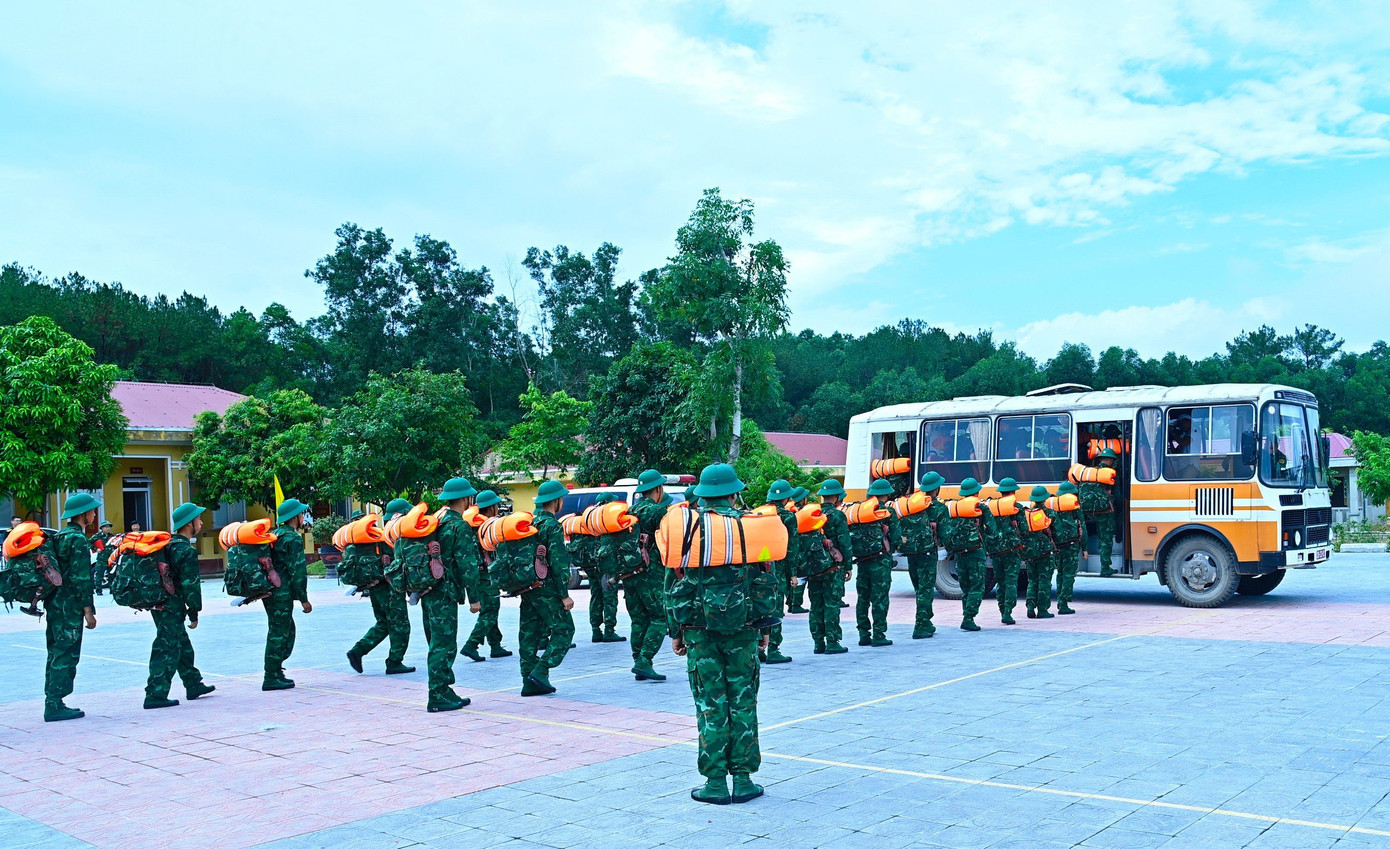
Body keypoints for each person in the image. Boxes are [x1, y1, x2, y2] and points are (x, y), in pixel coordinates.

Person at [666, 463, 765, 805]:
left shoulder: (686, 529)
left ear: (704, 495)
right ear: (734, 492)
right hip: (744, 630)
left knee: (711, 704)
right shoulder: (751, 526)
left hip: (699, 634)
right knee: (743, 701)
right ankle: (744, 779)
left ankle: (715, 784)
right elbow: (767, 578)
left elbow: (673, 584)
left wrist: (676, 632)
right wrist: (764, 628)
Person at [144, 503, 216, 709]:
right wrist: (194, 611)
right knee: (166, 647)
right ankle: (155, 694)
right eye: (199, 519)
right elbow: (190, 585)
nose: (201, 522)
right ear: (189, 523)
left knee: (180, 642)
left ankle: (193, 683)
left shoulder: (166, 545)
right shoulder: (185, 550)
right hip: (171, 605)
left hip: (158, 603)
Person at [43, 494, 100, 721]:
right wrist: (88, 610)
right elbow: (81, 577)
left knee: (56, 651)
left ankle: (52, 699)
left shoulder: (60, 537)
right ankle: (55, 704)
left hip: (55, 603)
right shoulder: (77, 540)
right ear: (82, 514)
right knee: (66, 653)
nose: (94, 515)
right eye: (92, 511)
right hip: (70, 605)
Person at [518, 480, 577, 696]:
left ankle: (528, 681)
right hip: (548, 589)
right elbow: (559, 562)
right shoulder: (552, 526)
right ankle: (541, 671)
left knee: (529, 634)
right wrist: (564, 595)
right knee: (565, 630)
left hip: (527, 587)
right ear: (556, 502)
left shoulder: (529, 525)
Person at [347, 499, 414, 675]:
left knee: (383, 622)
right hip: (390, 588)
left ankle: (358, 651)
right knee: (400, 624)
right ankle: (394, 662)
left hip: (375, 587)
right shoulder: (392, 537)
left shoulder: (375, 537)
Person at [623, 469, 672, 682]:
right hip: (651, 574)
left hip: (629, 573)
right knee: (660, 617)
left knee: (638, 619)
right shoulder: (657, 512)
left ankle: (638, 662)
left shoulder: (629, 512)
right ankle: (644, 660)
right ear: (659, 489)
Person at [263, 498, 313, 691]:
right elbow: (298, 571)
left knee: (284, 630)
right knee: (279, 633)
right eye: (301, 514)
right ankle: (271, 675)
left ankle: (276, 671)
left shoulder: (274, 535)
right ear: (295, 517)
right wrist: (304, 599)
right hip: (281, 593)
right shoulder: (291, 538)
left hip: (270, 591)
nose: (303, 517)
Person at [459, 485, 512, 663]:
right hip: (486, 575)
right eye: (496, 506)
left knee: (491, 609)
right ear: (491, 508)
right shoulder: (487, 528)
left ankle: (495, 646)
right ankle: (471, 644)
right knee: (490, 610)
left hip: (477, 575)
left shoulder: (472, 527)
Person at [855, 477, 900, 647]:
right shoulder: (888, 513)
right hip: (880, 561)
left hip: (862, 562)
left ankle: (863, 634)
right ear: (886, 494)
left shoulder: (860, 512)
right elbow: (895, 538)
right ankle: (879, 635)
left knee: (863, 598)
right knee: (879, 598)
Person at [809, 480, 850, 655]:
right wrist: (848, 565)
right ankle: (832, 642)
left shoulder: (812, 514)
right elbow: (844, 542)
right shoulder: (838, 516)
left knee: (816, 605)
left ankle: (818, 643)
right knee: (832, 604)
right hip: (833, 568)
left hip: (814, 567)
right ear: (836, 497)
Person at [940, 478, 987, 632]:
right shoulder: (980, 508)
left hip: (959, 554)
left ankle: (966, 616)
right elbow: (992, 529)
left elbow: (946, 531)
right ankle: (968, 618)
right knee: (977, 586)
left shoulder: (954, 508)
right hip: (975, 553)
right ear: (976, 492)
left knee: (966, 587)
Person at [760, 480, 799, 665]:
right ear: (786, 498)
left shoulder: (759, 513)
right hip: (779, 570)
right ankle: (774, 649)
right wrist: (793, 573)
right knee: (776, 609)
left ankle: (758, 649)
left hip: (759, 569)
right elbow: (792, 548)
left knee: (759, 608)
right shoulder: (789, 517)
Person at [904, 471, 944, 639]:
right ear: (937, 489)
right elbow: (946, 532)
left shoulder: (911, 505)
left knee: (919, 588)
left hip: (911, 553)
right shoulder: (938, 507)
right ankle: (920, 626)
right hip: (928, 552)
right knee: (925, 590)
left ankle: (926, 621)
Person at [982, 478, 1024, 625]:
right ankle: (1007, 612)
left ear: (1001, 492)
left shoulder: (990, 507)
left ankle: (1002, 610)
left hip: (995, 551)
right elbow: (1024, 529)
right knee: (1011, 582)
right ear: (1013, 492)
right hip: (1012, 550)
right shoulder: (1017, 507)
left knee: (1000, 582)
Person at [587, 492, 627, 644]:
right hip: (606, 564)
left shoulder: (591, 518)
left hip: (591, 563)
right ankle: (609, 630)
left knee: (595, 596)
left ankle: (595, 631)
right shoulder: (609, 518)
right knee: (609, 596)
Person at [1051, 481, 1089, 615]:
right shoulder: (1075, 507)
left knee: (1060, 573)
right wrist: (1085, 547)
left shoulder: (1053, 506)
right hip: (1071, 545)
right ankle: (1064, 604)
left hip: (1057, 546)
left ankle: (1060, 601)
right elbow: (1082, 527)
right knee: (1068, 574)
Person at [1021, 485, 1058, 619]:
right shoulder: (1049, 513)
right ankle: (1042, 610)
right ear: (1045, 498)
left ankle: (1030, 606)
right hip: (1044, 552)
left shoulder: (1027, 514)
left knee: (1032, 580)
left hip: (1030, 552)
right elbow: (1056, 531)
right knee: (1044, 580)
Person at [1085, 447, 1120, 577]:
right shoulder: (1109, 473)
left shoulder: (1092, 472)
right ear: (1111, 460)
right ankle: (1105, 567)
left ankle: (1103, 561)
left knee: (1101, 535)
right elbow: (1117, 494)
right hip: (1107, 511)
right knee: (1107, 539)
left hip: (1094, 511)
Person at [90, 520, 114, 595]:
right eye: (105, 527)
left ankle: (112, 589)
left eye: (108, 527)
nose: (107, 528)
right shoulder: (97, 536)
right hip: (101, 559)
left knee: (111, 575)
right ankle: (98, 590)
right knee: (99, 575)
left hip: (110, 559)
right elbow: (88, 542)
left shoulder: (112, 536)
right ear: (102, 528)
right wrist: (95, 548)